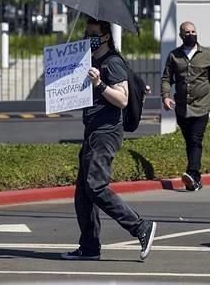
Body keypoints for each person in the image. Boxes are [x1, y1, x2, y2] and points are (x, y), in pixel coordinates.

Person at [61, 17, 157, 262]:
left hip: (106, 132)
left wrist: (99, 84)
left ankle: (140, 226)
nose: (87, 37)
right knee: (83, 192)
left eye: (92, 33)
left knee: (95, 185)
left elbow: (122, 99)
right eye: (85, 32)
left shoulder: (112, 62)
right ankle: (90, 246)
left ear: (104, 36)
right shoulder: (90, 61)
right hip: (92, 129)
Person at [160, 21, 210, 191]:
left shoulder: (207, 55)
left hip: (201, 107)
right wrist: (166, 96)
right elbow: (167, 78)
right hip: (182, 107)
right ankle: (195, 180)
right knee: (189, 142)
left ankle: (191, 173)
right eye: (187, 32)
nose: (191, 34)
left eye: (193, 31)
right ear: (181, 36)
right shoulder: (174, 56)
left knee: (196, 140)